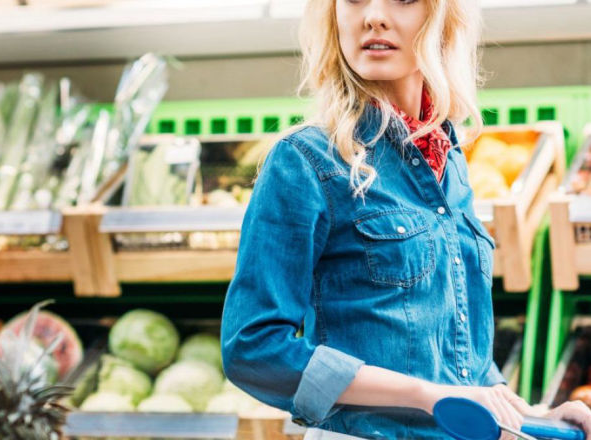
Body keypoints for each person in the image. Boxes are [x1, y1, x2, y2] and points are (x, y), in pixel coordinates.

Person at [220, 0, 591, 438]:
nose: (374, 15)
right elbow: (252, 348)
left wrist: (534, 416)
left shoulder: (449, 159)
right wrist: (425, 394)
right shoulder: (305, 161)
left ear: (443, 17)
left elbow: (460, 353)